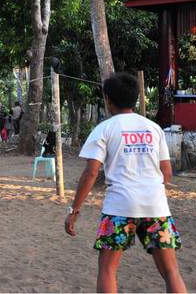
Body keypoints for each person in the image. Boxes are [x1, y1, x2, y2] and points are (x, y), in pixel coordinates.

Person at [64, 73, 186, 293]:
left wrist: (75, 209)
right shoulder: (153, 128)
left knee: (108, 269)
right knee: (170, 272)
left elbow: (91, 173)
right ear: (135, 99)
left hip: (119, 208)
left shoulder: (105, 129)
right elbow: (166, 173)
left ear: (108, 100)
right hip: (156, 207)